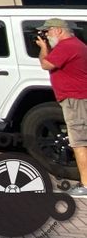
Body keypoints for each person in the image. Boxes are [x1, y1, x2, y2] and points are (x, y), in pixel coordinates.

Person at [36, 18, 87, 198]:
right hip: (79, 98)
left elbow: (46, 64)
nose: (46, 35)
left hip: (75, 100)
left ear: (58, 30)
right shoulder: (77, 44)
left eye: (48, 31)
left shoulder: (67, 46)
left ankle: (86, 185)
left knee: (79, 142)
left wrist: (43, 47)